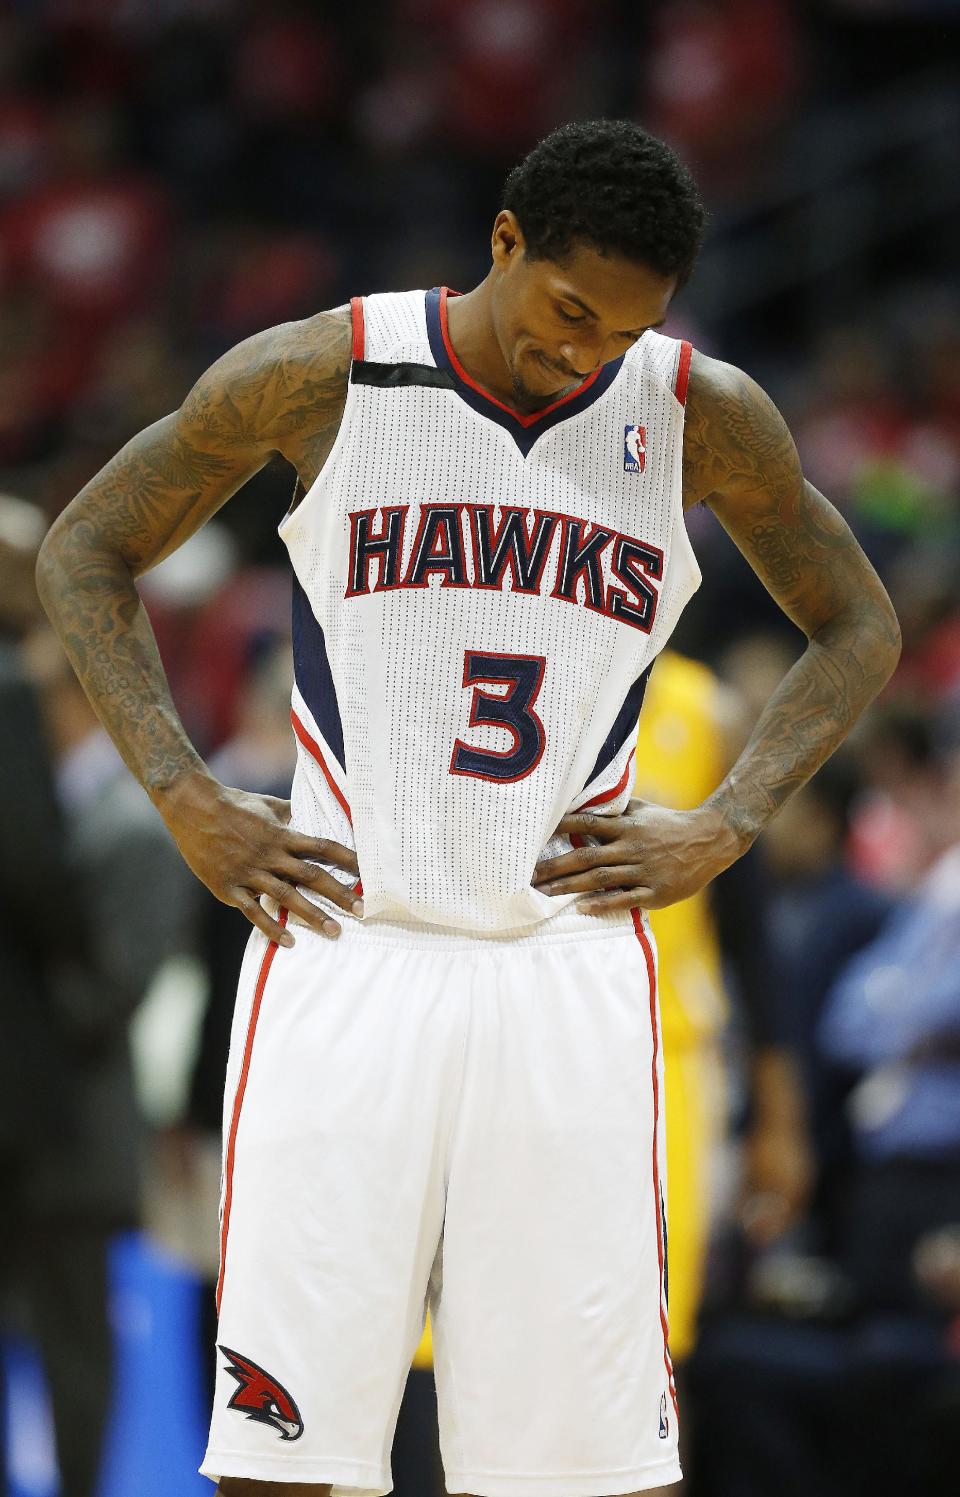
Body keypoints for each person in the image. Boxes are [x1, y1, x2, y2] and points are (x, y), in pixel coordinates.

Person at [36, 120, 900, 1497]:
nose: (588, 350)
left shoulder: (697, 411)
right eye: (569, 310)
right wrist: (183, 795)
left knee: (587, 1462)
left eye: (625, 327)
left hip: (562, 959)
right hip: (350, 939)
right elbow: (85, 546)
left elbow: (858, 623)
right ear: (504, 241)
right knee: (284, 1444)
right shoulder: (327, 370)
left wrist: (728, 820)